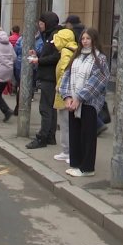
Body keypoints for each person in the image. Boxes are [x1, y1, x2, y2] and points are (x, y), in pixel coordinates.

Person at [58, 28, 109, 177]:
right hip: (73, 101)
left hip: (89, 103)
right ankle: (76, 163)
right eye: (83, 38)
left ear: (94, 40)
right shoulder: (77, 56)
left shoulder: (100, 59)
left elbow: (97, 81)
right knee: (75, 134)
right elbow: (66, 75)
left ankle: (87, 168)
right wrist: (67, 96)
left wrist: (79, 98)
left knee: (87, 136)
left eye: (88, 38)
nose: (85, 41)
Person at [26, 12, 63, 149]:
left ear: (47, 23)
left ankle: (42, 137)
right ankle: (50, 136)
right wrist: (38, 55)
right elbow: (50, 54)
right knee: (50, 108)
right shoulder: (50, 35)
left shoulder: (54, 36)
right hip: (49, 75)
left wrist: (38, 60)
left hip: (50, 77)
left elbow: (55, 57)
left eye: (41, 23)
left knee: (45, 108)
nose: (39, 26)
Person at [51, 27, 78, 163]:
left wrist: (59, 86)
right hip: (73, 91)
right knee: (70, 124)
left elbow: (64, 70)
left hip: (64, 94)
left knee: (65, 124)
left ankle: (67, 151)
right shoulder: (74, 49)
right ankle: (70, 151)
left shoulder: (66, 52)